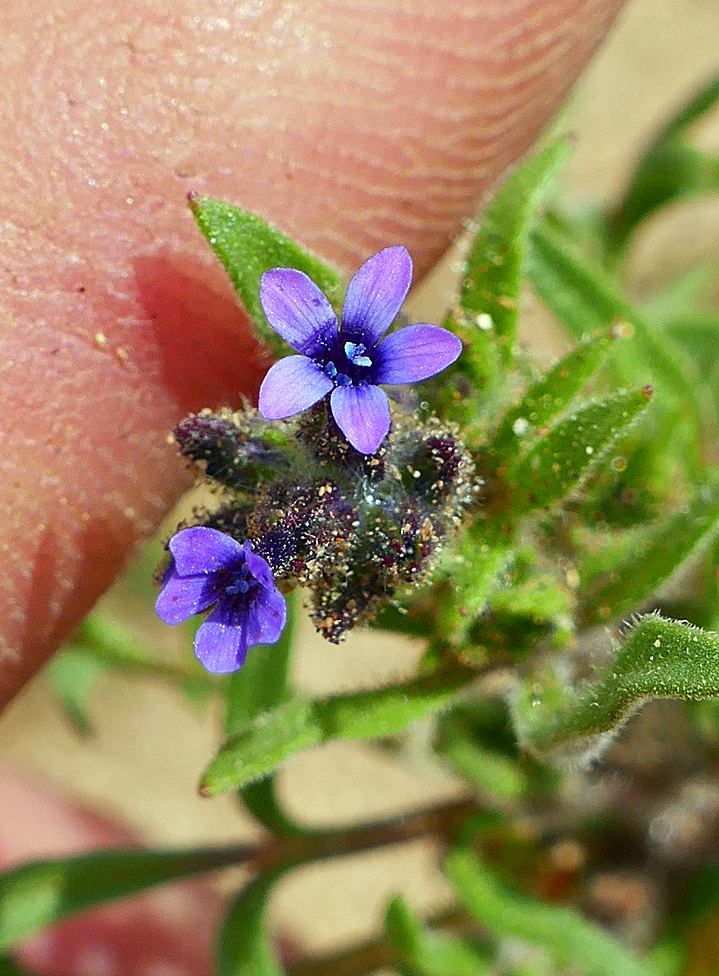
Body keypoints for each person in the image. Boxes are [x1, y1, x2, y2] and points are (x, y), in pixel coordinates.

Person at [0, 0, 626, 971]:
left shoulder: (366, 381)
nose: (344, 355)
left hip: (362, 430)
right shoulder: (322, 386)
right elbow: (325, 407)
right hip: (319, 463)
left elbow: (383, 408)